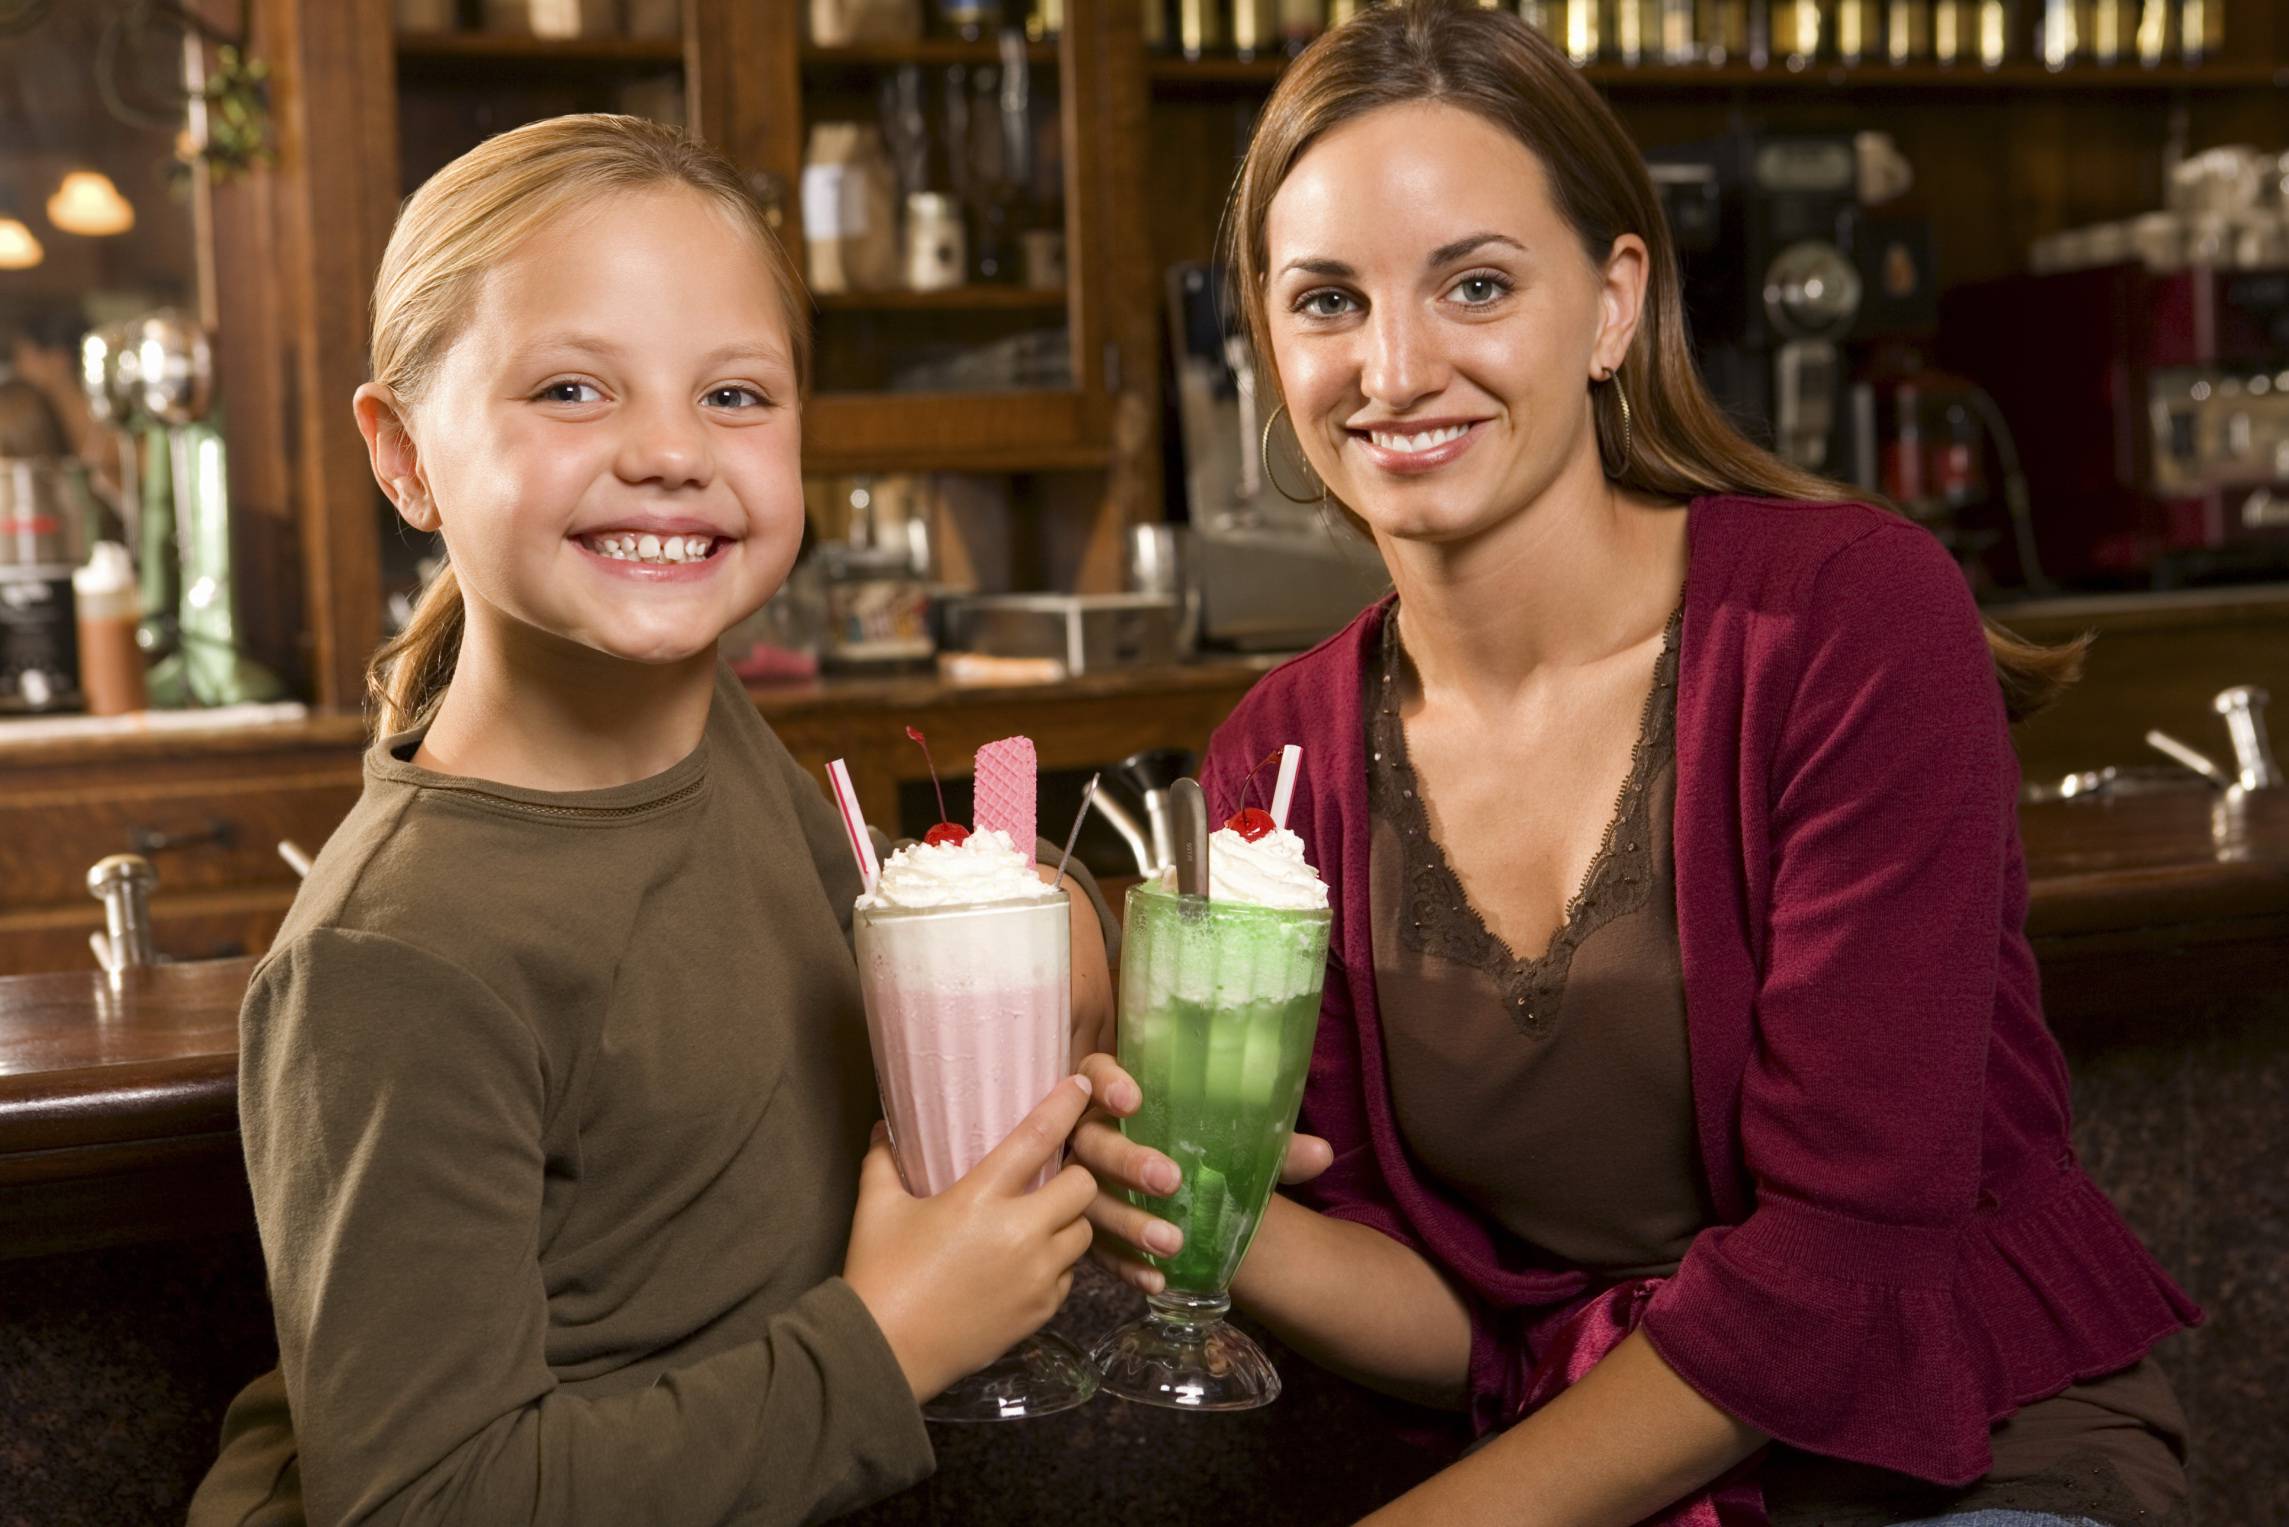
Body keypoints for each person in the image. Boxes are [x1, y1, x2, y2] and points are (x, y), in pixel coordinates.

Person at [1075, 5, 2199, 1524]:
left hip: (1962, 1459)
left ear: (1611, 307)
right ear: (1266, 347)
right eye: (1325, 301)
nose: (1393, 367)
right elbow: (1456, 1328)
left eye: (1474, 284)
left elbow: (1840, 1260)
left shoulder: (1847, 620)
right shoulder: (1278, 761)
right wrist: (1180, 1206)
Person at [188, 114, 1107, 1526]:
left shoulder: (714, 729)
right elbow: (423, 1502)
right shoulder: (395, 957)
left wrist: (1064, 994)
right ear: (404, 457)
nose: (672, 454)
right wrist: (897, 1340)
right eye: (570, 389)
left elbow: (836, 1025)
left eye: (735, 397)